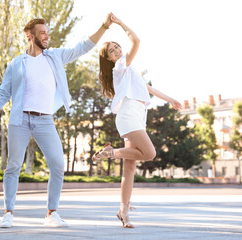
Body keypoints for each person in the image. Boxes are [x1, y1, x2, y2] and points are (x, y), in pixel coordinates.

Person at [0, 15, 113, 228]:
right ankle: (8, 212)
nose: (47, 35)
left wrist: (104, 26)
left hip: (45, 120)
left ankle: (51, 213)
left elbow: (82, 47)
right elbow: (3, 93)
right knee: (13, 166)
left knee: (58, 164)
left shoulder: (55, 57)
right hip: (20, 119)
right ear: (30, 36)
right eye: (42, 33)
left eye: (47, 32)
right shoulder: (16, 64)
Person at [93, 14, 182, 228]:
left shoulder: (127, 70)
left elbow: (146, 88)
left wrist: (169, 99)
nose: (117, 51)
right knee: (150, 153)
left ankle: (123, 211)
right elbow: (137, 41)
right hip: (130, 116)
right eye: (111, 51)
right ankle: (110, 153)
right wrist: (121, 23)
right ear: (109, 59)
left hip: (136, 116)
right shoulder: (121, 66)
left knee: (130, 168)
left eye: (117, 47)